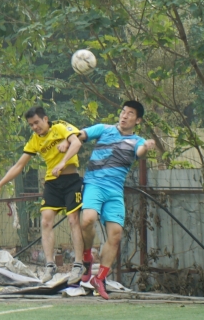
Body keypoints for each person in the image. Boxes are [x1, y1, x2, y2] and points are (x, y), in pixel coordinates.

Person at [60, 100, 156, 299]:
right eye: (123, 111)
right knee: (87, 219)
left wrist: (146, 146)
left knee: (116, 234)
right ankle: (87, 257)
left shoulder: (137, 141)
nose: (124, 115)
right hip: (94, 184)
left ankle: (100, 278)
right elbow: (80, 135)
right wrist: (67, 140)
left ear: (137, 120)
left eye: (130, 113)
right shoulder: (103, 129)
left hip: (114, 190)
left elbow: (140, 153)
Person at [0, 109, 88, 284]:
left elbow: (77, 143)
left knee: (73, 220)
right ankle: (50, 266)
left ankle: (78, 265)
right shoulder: (35, 140)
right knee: (45, 221)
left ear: (45, 118)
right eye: (31, 125)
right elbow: (19, 165)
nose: (35, 127)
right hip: (52, 183)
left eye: (37, 122)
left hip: (72, 181)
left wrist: (63, 161)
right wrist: (0, 184)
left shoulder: (60, 127)